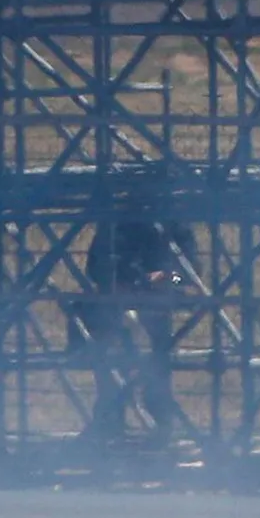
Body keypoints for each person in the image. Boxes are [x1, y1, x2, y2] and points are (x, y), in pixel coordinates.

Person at [64, 178, 197, 450]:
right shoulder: (117, 223)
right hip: (120, 295)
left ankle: (159, 415)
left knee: (158, 352)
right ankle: (110, 415)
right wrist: (122, 282)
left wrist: (167, 278)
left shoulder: (176, 225)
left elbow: (190, 274)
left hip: (159, 299)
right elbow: (96, 267)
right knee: (107, 344)